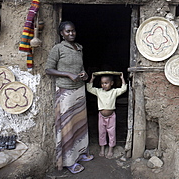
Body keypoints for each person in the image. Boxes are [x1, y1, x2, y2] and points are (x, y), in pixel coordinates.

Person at [45, 21, 93, 174]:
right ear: (62, 33)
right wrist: (67, 74)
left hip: (79, 90)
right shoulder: (58, 48)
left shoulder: (79, 48)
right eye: (67, 31)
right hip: (65, 91)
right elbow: (48, 69)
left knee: (79, 123)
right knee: (67, 125)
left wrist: (84, 74)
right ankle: (69, 161)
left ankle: (80, 154)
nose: (71, 34)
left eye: (73, 31)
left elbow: (80, 68)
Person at [87, 72, 127, 158]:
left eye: (106, 83)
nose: (104, 85)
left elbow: (124, 88)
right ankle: (102, 147)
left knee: (111, 132)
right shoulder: (98, 91)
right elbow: (89, 88)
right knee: (102, 132)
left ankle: (110, 148)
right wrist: (92, 79)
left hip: (111, 116)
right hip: (101, 116)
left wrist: (122, 78)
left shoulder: (114, 92)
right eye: (102, 83)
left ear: (111, 83)